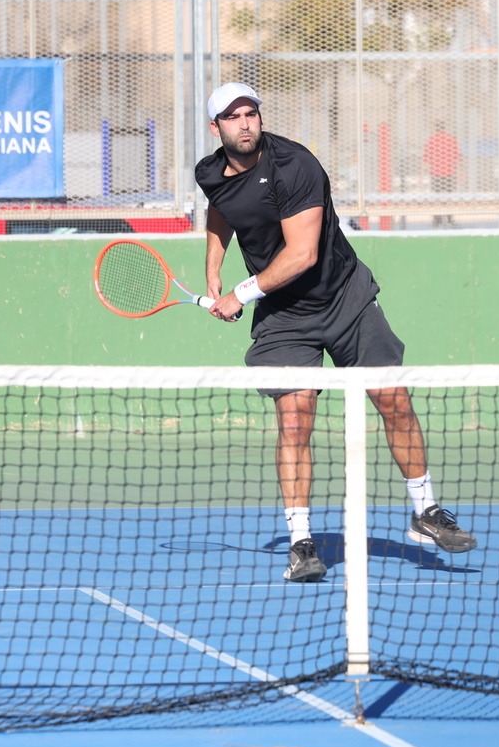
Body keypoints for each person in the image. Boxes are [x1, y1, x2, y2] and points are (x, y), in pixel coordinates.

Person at [195, 81, 478, 583]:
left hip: (343, 297)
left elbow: (301, 255)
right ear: (215, 128)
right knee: (296, 418)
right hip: (284, 318)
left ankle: (425, 511)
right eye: (233, 117)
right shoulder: (210, 172)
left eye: (251, 113)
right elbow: (223, 208)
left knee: (393, 398)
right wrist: (213, 264)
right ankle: (302, 544)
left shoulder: (295, 165)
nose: (245, 123)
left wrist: (239, 292)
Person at [422, 122, 461, 228]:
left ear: (435, 128)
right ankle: (449, 218)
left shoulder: (431, 140)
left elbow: (425, 159)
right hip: (449, 173)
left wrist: (421, 175)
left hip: (436, 173)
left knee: (436, 197)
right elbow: (457, 157)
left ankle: (437, 219)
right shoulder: (451, 139)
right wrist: (462, 173)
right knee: (448, 197)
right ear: (444, 128)